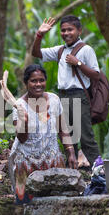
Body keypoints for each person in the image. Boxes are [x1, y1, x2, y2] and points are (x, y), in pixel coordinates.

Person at [32, 15, 101, 167]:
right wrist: (39, 35)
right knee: (68, 138)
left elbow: (96, 74)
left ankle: (101, 173)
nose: (66, 33)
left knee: (85, 137)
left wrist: (79, 63)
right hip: (62, 97)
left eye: (70, 29)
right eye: (63, 30)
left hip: (78, 95)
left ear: (79, 30)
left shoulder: (86, 49)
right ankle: (73, 174)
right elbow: (36, 53)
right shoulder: (60, 50)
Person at [9, 64, 77, 204]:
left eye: (41, 80)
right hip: (26, 162)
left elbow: (62, 128)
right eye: (33, 81)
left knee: (57, 203)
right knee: (27, 205)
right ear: (26, 83)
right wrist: (24, 121)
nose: (38, 84)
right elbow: (21, 138)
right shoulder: (19, 106)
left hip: (52, 159)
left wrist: (70, 152)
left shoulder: (54, 100)